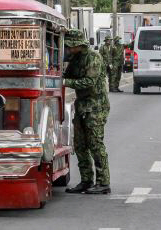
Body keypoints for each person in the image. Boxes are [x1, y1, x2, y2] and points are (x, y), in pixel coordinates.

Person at [63, 29, 111, 195]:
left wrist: (65, 82)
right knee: (80, 145)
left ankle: (103, 182)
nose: (68, 49)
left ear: (78, 45)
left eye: (70, 46)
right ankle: (86, 180)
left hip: (96, 106)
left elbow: (89, 82)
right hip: (82, 105)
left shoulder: (93, 57)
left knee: (95, 144)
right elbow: (66, 74)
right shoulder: (75, 59)